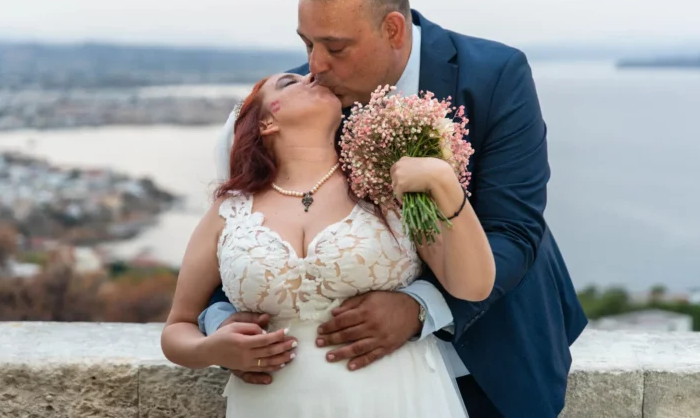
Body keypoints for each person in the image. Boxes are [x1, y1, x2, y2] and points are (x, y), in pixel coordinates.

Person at [200, 0, 588, 417]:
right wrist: (223, 324)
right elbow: (245, 231)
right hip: (340, 389)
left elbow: (513, 231)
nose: (315, 67)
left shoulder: (495, 76)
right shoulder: (303, 105)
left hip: (494, 357)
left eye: (335, 47)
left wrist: (418, 307)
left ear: (392, 30)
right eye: (307, 43)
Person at [161, 71, 496, 417]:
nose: (312, 76)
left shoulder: (387, 187)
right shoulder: (229, 211)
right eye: (289, 82)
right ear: (266, 123)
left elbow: (474, 285)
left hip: (395, 399)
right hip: (272, 405)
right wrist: (213, 350)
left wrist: (445, 184)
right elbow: (177, 327)